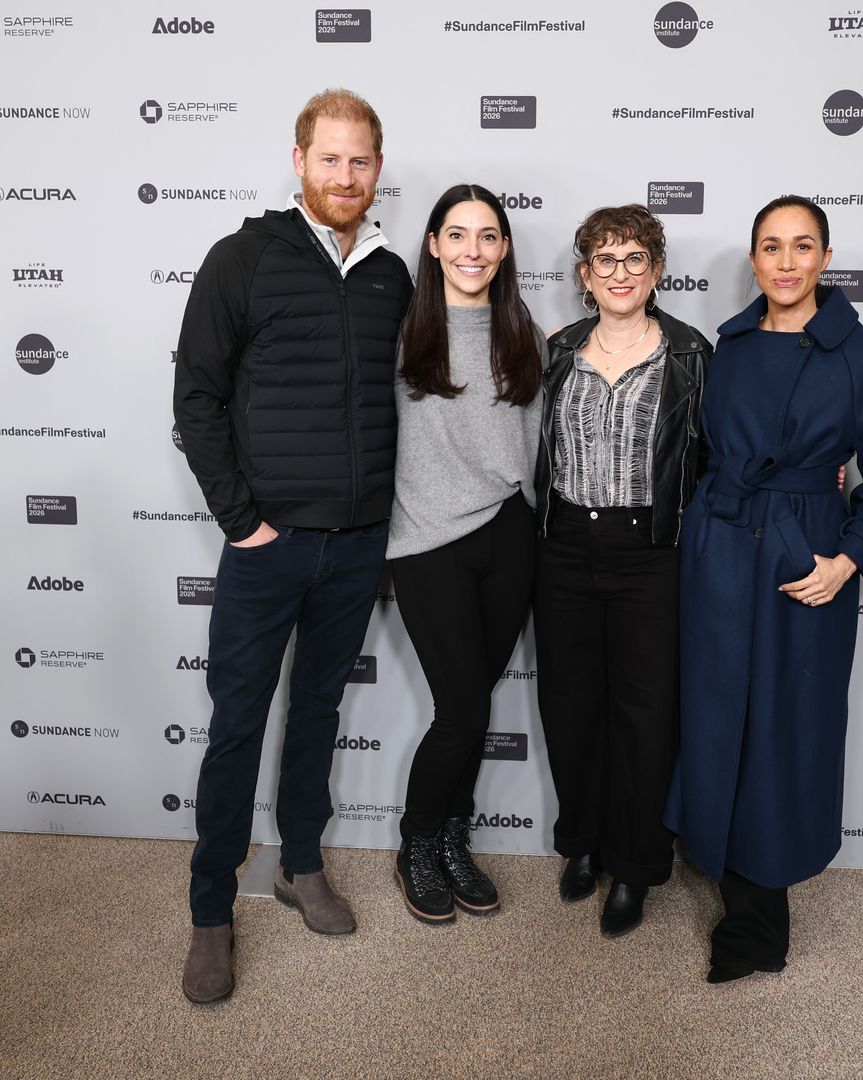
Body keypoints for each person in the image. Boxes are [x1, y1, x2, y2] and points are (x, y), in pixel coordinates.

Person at [173, 89, 412, 1003]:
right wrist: (243, 522)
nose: (345, 177)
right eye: (330, 160)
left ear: (376, 170)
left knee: (317, 712)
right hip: (267, 545)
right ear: (301, 160)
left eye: (361, 162)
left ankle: (301, 863)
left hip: (356, 546)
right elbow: (196, 398)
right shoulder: (242, 259)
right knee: (237, 726)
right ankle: (210, 910)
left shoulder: (394, 271)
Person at [665, 195, 863, 983]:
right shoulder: (730, 346)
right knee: (711, 712)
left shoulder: (862, 356)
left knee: (786, 727)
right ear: (753, 260)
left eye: (802, 246)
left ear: (825, 257)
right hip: (716, 548)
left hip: (803, 558)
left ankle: (758, 917)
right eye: (771, 246)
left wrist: (848, 562)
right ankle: (710, 853)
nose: (785, 261)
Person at [532, 205, 712, 938]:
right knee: (571, 706)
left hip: (651, 552)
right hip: (565, 545)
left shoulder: (692, 355)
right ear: (584, 275)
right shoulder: (557, 351)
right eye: (605, 260)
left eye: (635, 258)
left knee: (644, 714)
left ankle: (636, 864)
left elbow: (721, 455)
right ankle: (582, 845)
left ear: (658, 271)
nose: (620, 273)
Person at [387, 184, 543, 924]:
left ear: (504, 249)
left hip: (509, 536)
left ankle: (454, 835)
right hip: (426, 540)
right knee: (462, 708)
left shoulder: (527, 335)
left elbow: (542, 446)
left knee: (475, 708)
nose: (472, 251)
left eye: (487, 236)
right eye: (458, 235)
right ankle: (416, 842)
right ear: (434, 245)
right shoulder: (403, 332)